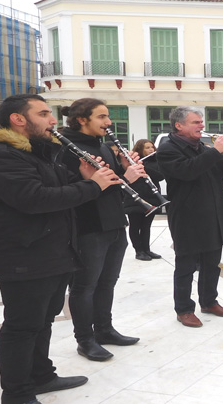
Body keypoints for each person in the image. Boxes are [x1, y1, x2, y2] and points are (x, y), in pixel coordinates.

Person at [0, 94, 120, 403]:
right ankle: (16, 394)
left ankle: (41, 376)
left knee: (43, 321)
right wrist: (93, 185)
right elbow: (34, 199)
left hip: (52, 252)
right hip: (22, 255)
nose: (53, 119)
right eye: (43, 113)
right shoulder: (0, 155)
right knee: (22, 326)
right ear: (19, 119)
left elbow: (59, 189)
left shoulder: (39, 153)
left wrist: (84, 177)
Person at [60, 98, 146, 361]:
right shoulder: (66, 149)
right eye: (102, 117)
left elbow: (113, 189)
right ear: (82, 119)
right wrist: (123, 179)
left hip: (114, 224)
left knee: (107, 282)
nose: (108, 122)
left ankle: (105, 330)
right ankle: (85, 339)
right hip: (88, 226)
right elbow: (71, 191)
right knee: (85, 286)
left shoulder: (103, 146)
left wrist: (126, 174)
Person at [157, 107, 223, 327]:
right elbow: (188, 171)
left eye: (201, 121)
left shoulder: (202, 147)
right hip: (188, 216)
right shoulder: (167, 149)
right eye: (196, 122)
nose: (201, 125)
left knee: (212, 264)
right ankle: (183, 309)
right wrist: (215, 152)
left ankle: (209, 301)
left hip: (213, 213)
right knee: (186, 266)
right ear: (179, 125)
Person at [127, 139, 164, 261]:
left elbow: (160, 176)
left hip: (152, 197)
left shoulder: (156, 161)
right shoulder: (131, 162)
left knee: (146, 226)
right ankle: (139, 251)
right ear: (140, 150)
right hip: (136, 197)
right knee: (135, 225)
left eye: (152, 147)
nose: (151, 150)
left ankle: (147, 249)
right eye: (147, 148)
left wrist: (144, 168)